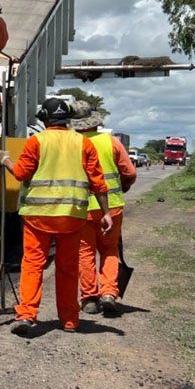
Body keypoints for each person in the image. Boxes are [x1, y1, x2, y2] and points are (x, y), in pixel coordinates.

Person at [0, 98, 112, 335]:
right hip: (72, 217)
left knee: (33, 265)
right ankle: (69, 321)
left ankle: (26, 315)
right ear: (68, 118)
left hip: (39, 216)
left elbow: (20, 173)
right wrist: (106, 213)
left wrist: (4, 159)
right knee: (68, 268)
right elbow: (98, 182)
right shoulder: (83, 144)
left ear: (44, 119)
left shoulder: (36, 141)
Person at [71, 111, 136, 315]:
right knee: (109, 250)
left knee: (85, 252)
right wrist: (123, 186)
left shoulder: (72, 143)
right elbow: (130, 173)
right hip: (112, 207)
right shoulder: (112, 142)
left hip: (82, 209)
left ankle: (89, 298)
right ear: (95, 122)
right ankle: (108, 293)